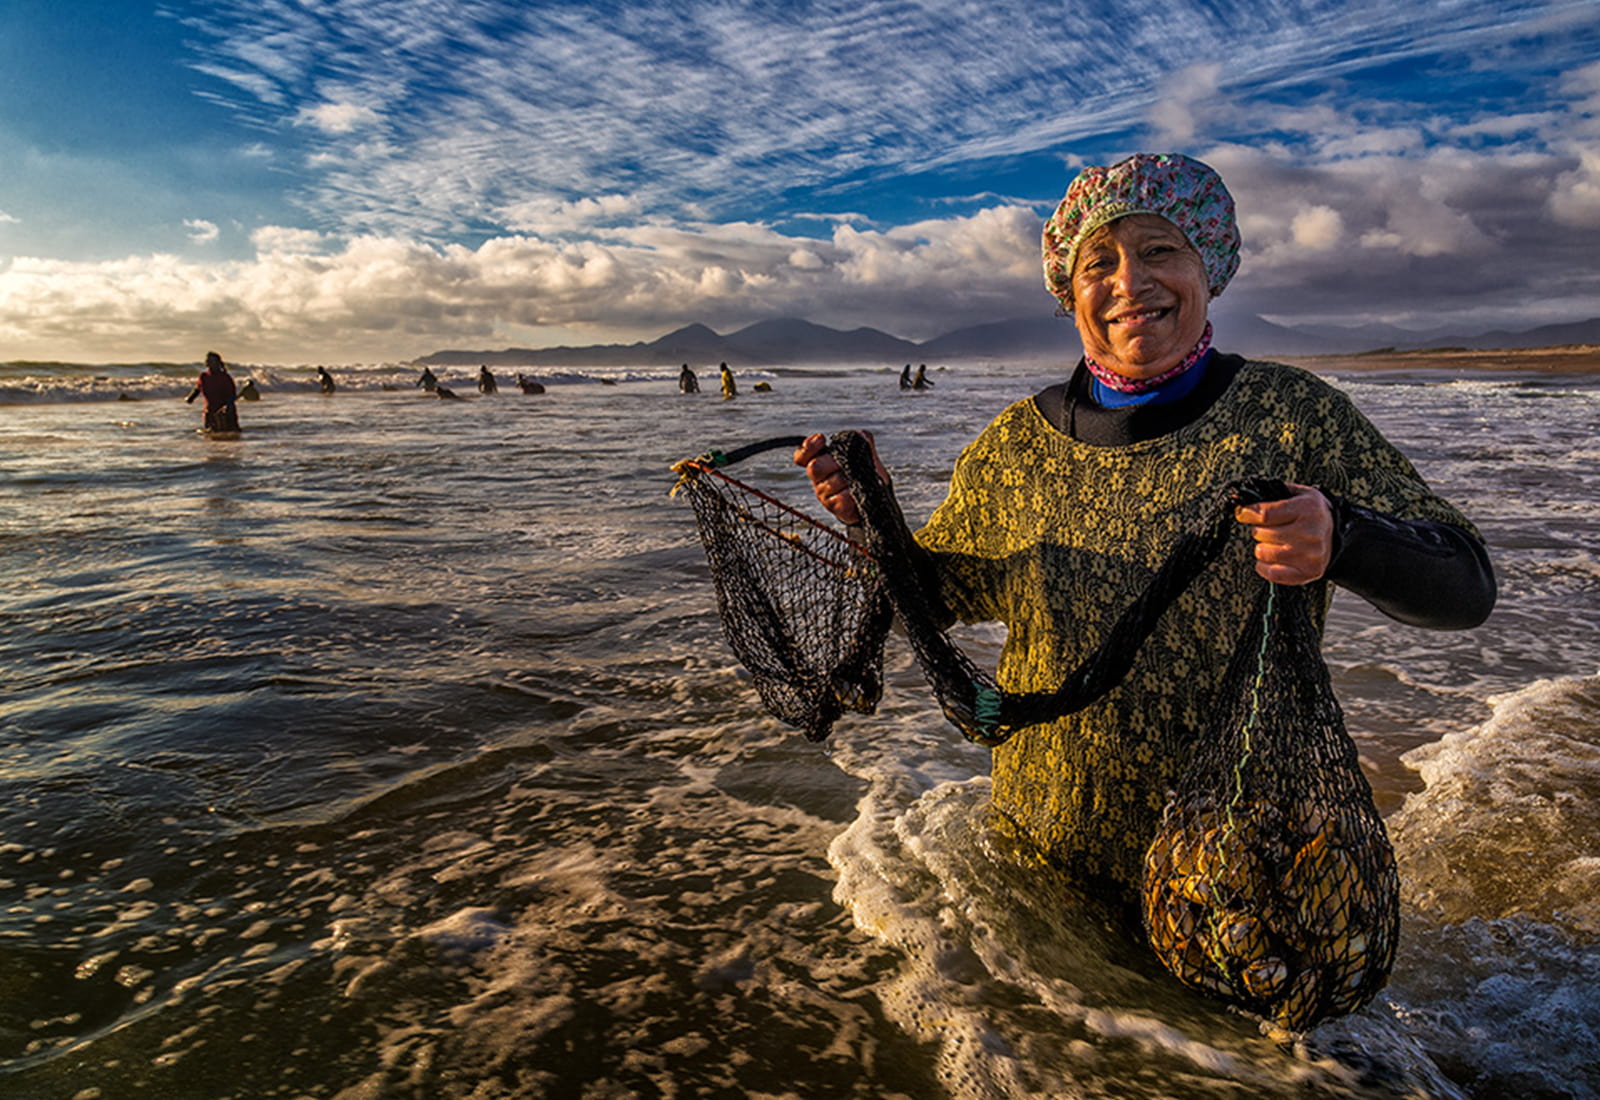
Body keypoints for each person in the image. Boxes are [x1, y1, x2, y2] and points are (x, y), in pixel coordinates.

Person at [795, 153, 1495, 902]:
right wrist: (874, 519)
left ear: (1209, 266)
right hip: (1039, 859)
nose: (1132, 283)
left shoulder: (1293, 415)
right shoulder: (1015, 446)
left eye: (1160, 250)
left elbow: (1464, 587)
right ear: (1069, 292)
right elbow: (939, 599)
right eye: (1100, 263)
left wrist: (1344, 536)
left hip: (1238, 876)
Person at [185, 351, 240, 432]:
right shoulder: (204, 376)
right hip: (209, 412)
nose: (209, 363)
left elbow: (232, 395)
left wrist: (227, 406)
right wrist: (190, 397)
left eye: (212, 361)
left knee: (230, 435)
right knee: (210, 436)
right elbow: (197, 388)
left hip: (225, 413)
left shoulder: (225, 377)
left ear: (218, 363)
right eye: (208, 361)